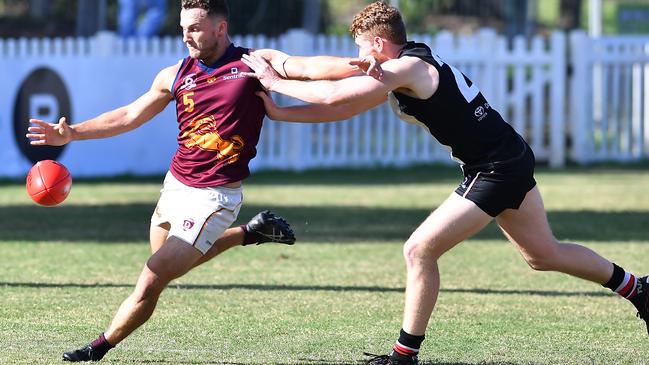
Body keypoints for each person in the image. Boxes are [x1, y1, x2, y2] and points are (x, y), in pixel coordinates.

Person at [241, 2, 649, 364]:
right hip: (506, 158)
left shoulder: (409, 68)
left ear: (380, 45)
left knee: (419, 250)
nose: (359, 57)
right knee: (543, 254)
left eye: (363, 49)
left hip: (495, 167)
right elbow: (333, 90)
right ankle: (639, 290)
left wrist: (276, 84)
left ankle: (404, 356)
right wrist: (279, 78)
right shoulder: (398, 63)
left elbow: (334, 96)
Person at [26, 0, 379, 362]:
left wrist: (358, 65)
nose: (187, 37)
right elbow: (131, 114)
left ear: (220, 28)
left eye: (194, 28)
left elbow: (306, 68)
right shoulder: (174, 74)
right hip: (175, 186)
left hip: (215, 197)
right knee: (167, 262)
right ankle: (251, 232)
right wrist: (73, 133)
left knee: (153, 275)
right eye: (183, 28)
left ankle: (97, 347)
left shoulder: (254, 63)